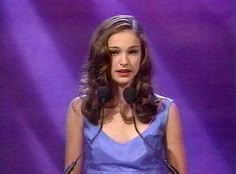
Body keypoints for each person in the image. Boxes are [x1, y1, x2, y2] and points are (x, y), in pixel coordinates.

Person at [64, 15, 187, 174]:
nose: (124, 61)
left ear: (143, 56)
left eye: (132, 52)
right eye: (114, 52)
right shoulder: (80, 109)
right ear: (101, 56)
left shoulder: (165, 110)